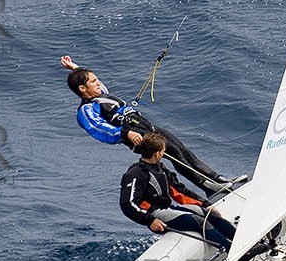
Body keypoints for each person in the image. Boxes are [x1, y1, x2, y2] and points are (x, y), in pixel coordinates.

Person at [60, 54, 245, 195]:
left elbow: (94, 84)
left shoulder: (101, 94)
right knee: (177, 156)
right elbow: (99, 129)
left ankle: (218, 180)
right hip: (139, 138)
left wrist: (75, 68)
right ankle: (210, 187)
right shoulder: (86, 110)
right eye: (93, 81)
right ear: (83, 89)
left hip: (149, 128)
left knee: (183, 151)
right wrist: (125, 134)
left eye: (96, 78)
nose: (98, 82)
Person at [119, 133, 238, 253]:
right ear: (158, 153)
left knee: (208, 214)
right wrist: (149, 220)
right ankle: (233, 251)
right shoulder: (135, 174)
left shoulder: (160, 169)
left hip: (168, 208)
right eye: (163, 151)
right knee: (199, 221)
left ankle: (240, 240)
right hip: (154, 215)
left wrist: (205, 204)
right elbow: (127, 204)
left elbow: (179, 191)